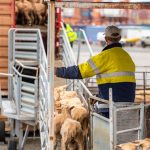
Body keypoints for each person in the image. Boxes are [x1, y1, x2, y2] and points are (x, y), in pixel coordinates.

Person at [55, 25, 136, 117]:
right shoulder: (127, 57)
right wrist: (98, 96)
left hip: (109, 106)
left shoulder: (104, 57)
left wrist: (58, 71)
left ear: (106, 39)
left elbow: (81, 71)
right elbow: (118, 84)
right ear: (119, 38)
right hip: (128, 105)